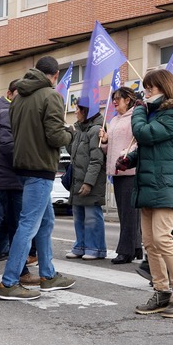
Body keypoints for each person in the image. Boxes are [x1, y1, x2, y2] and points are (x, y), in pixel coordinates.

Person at [117, 69, 173, 318]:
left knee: (163, 238)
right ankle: (162, 291)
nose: (147, 93)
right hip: (149, 185)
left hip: (165, 185)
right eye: (146, 88)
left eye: (151, 88)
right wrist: (128, 160)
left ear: (164, 88)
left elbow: (143, 134)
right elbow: (148, 148)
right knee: (150, 243)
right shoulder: (156, 116)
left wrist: (139, 110)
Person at [0, 56, 76, 301]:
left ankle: (48, 275)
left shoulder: (19, 96)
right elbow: (55, 136)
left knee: (45, 222)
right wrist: (70, 134)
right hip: (40, 167)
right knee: (29, 225)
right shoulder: (51, 96)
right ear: (54, 75)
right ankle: (9, 282)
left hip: (22, 167)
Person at [0, 80, 33, 282]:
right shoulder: (7, 113)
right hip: (8, 179)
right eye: (19, 94)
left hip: (9, 178)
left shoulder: (9, 112)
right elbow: (8, 145)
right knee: (15, 226)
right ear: (10, 94)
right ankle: (20, 273)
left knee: (8, 225)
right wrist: (32, 156)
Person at [102, 86, 142, 264]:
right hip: (117, 171)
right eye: (113, 98)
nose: (115, 101)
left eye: (118, 98)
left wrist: (128, 155)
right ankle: (136, 247)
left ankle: (126, 251)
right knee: (127, 212)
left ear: (128, 99)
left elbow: (139, 142)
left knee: (129, 213)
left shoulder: (135, 117)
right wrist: (104, 142)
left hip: (130, 170)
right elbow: (109, 148)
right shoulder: (114, 120)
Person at [66, 103, 107, 260]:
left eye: (78, 109)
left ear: (87, 111)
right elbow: (74, 153)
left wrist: (89, 183)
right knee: (79, 216)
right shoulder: (81, 130)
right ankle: (81, 246)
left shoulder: (96, 130)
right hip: (78, 180)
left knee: (92, 216)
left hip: (90, 182)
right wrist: (69, 135)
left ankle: (95, 248)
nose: (75, 112)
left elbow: (96, 160)